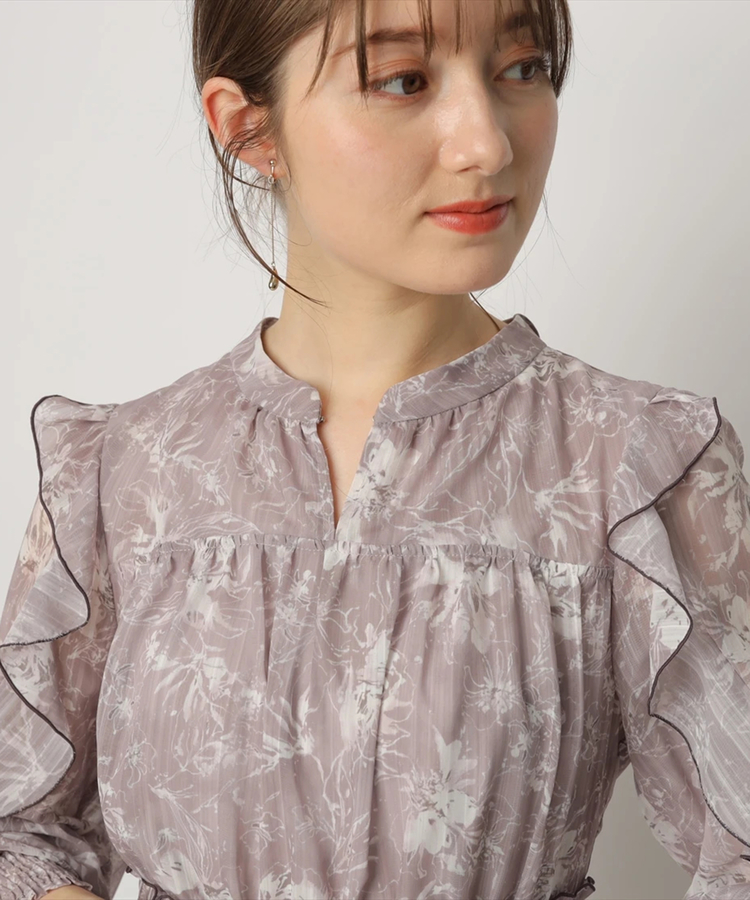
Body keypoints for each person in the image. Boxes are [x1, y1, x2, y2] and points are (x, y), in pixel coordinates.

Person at [2, 0, 749, 898]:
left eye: (522, 66)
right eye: (403, 80)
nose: (487, 144)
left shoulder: (635, 465)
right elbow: (21, 834)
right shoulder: (126, 471)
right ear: (248, 129)